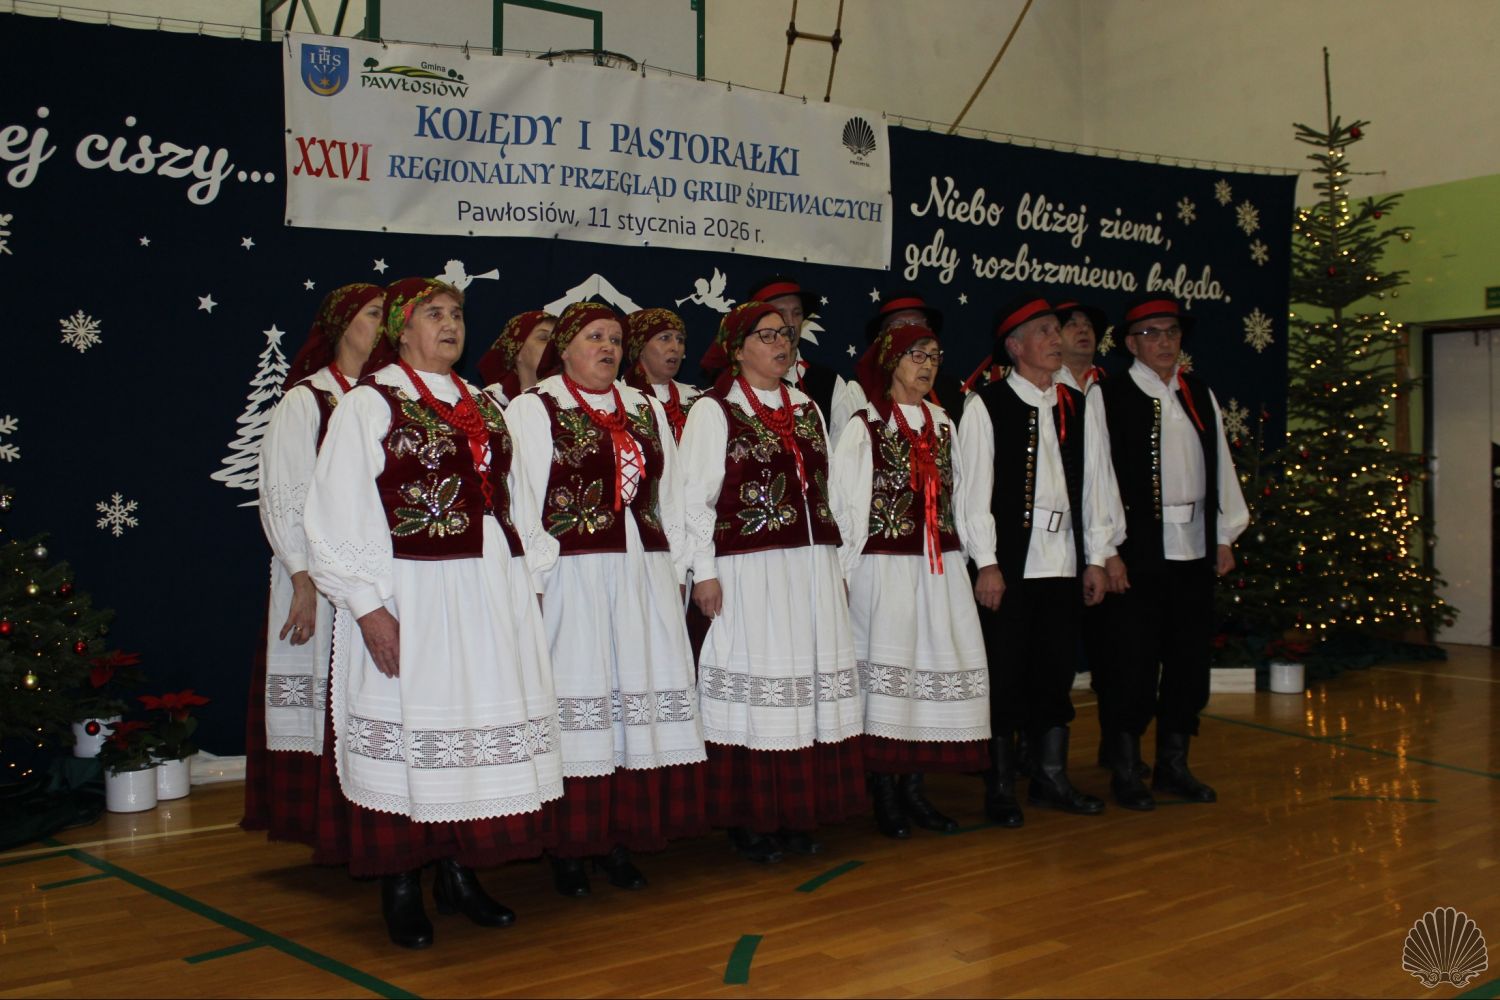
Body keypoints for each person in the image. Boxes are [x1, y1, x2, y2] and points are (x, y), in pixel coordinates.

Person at [303, 277, 562, 949]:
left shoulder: (484, 403)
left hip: (485, 592)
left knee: (470, 730)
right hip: (412, 593)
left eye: (457, 314)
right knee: (413, 730)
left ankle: (457, 872)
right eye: (434, 314)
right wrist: (368, 608)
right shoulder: (370, 403)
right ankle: (400, 881)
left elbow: (519, 497)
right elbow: (335, 509)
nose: (450, 324)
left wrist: (528, 579)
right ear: (401, 328)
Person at [506, 301, 707, 897]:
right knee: (579, 703)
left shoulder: (644, 408)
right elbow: (522, 500)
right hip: (572, 576)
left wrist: (676, 569)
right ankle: (570, 846)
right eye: (594, 337)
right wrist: (536, 582)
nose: (608, 348)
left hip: (641, 575)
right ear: (565, 348)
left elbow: (670, 496)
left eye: (616, 339)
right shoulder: (535, 408)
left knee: (630, 703)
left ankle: (618, 837)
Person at [679, 301, 865, 862]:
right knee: (759, 687)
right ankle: (751, 818)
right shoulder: (715, 411)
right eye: (766, 336)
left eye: (786, 334)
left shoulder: (806, 408)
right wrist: (705, 571)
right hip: (750, 569)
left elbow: (830, 495)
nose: (781, 343)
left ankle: (796, 813)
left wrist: (839, 566)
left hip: (809, 569)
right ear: (737, 349)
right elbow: (694, 499)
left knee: (804, 684)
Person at [957, 295, 1124, 827]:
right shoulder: (987, 404)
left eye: (1057, 330)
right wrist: (986, 561)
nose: (1057, 339)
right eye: (1045, 331)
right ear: (1015, 346)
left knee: (1055, 671)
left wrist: (1097, 556)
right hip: (1011, 564)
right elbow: (972, 492)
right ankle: (1000, 784)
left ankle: (1051, 776)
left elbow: (1097, 484)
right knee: (1005, 672)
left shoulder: (1078, 404)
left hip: (1064, 559)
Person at [831, 322, 989, 839]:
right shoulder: (866, 425)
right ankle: (884, 791)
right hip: (884, 570)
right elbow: (846, 505)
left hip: (938, 570)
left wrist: (983, 558)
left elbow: (966, 497)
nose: (927, 366)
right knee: (889, 678)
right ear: (891, 362)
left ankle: (915, 789)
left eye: (934, 357)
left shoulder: (943, 423)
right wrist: (844, 573)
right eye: (916, 356)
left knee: (930, 670)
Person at [1093, 296, 1249, 806]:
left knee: (1188, 662)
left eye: (1172, 333)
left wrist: (1223, 535)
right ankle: (1125, 769)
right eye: (1153, 334)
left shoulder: (1198, 393)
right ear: (1131, 343)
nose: (1164, 342)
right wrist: (1108, 549)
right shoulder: (1109, 396)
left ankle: (1173, 764)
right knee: (1131, 662)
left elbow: (1221, 465)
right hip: (1137, 552)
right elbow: (1099, 477)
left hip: (1194, 548)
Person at [244, 283, 382, 846]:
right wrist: (302, 579)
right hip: (318, 578)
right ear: (343, 324)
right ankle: (324, 823)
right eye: (374, 314)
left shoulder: (385, 398)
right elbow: (285, 492)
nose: (384, 325)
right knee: (324, 687)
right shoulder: (308, 401)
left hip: (374, 574)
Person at [832, 288, 965, 437]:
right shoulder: (858, 391)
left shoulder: (955, 394)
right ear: (883, 339)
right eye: (898, 325)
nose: (908, 332)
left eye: (916, 324)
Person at [745, 275, 846, 439]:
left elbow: (842, 451)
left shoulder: (830, 383)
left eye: (797, 313)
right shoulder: (733, 387)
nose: (790, 323)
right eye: (780, 313)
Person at [622, 307, 701, 442]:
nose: (675, 348)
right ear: (640, 348)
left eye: (680, 340)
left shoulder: (696, 399)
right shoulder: (619, 400)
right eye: (665, 338)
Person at [477, 309, 557, 407]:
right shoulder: (490, 404)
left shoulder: (566, 397)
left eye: (557, 340)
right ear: (516, 351)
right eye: (544, 338)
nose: (554, 345)